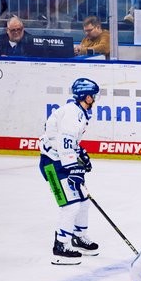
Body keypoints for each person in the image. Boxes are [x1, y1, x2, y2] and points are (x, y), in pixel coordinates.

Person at [39, 77, 100, 264]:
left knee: (83, 201)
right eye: (94, 96)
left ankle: (78, 237)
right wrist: (74, 168)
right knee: (70, 205)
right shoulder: (73, 113)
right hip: (53, 165)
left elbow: (68, 141)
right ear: (87, 97)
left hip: (62, 161)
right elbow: (65, 142)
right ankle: (61, 245)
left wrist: (81, 153)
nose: (95, 99)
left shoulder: (78, 112)